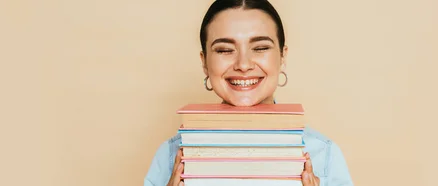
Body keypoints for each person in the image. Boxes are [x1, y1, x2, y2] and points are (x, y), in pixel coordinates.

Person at [143, 0, 354, 186]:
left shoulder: (324, 155)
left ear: (282, 56)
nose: (243, 65)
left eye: (261, 48)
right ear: (204, 62)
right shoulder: (171, 156)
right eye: (224, 50)